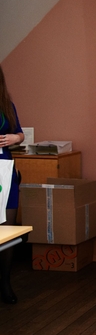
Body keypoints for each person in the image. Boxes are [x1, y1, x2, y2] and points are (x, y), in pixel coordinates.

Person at [0, 65, 25, 304]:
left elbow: (20, 133)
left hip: (5, 170)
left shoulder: (7, 105)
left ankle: (5, 282)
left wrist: (15, 138)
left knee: (7, 228)